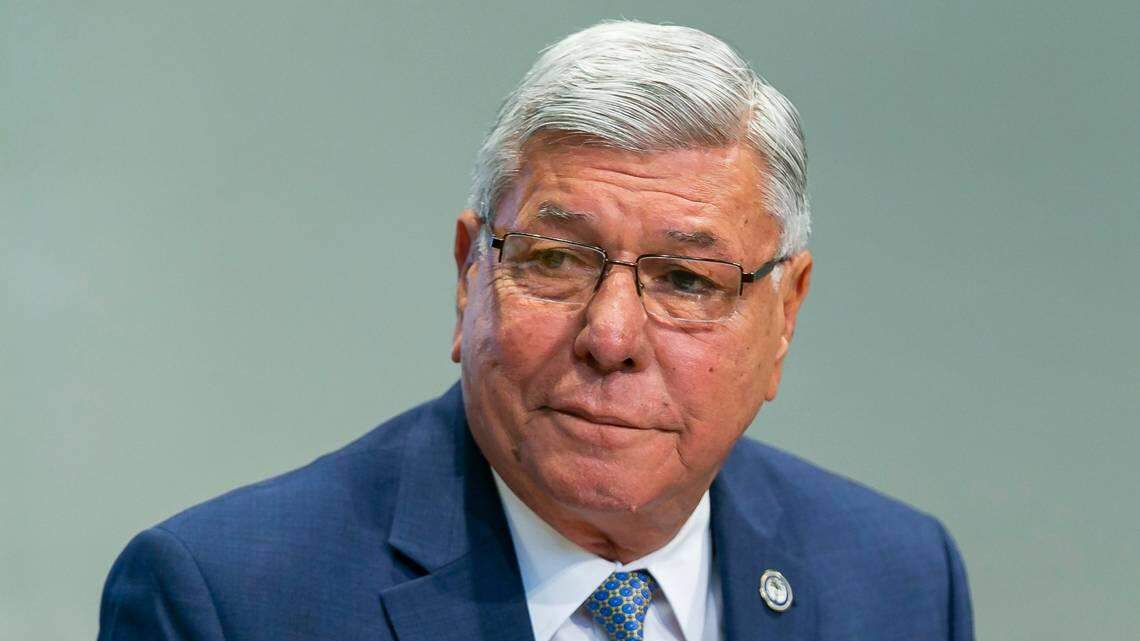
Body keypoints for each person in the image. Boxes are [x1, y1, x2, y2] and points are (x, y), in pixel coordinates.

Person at [97, 20, 973, 641]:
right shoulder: (227, 602)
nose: (611, 336)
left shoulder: (901, 584)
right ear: (468, 274)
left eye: (685, 279)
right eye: (555, 259)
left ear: (784, 317)